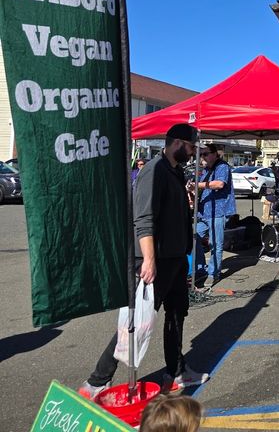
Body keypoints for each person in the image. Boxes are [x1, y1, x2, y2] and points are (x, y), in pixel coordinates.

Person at [79, 124, 209, 399]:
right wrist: (148, 259)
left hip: (175, 259)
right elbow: (144, 219)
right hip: (156, 261)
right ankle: (97, 381)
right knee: (137, 321)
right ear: (177, 143)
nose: (193, 153)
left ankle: (175, 372)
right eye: (190, 147)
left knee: (176, 315)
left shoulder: (175, 172)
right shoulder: (154, 171)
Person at [192, 143, 236, 287]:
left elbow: (219, 184)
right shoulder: (206, 170)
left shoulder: (222, 166)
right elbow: (203, 189)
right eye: (201, 155)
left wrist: (197, 185)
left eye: (205, 154)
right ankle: (200, 268)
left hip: (218, 211)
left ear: (214, 154)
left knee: (215, 243)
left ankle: (213, 273)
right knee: (193, 237)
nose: (202, 157)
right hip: (204, 212)